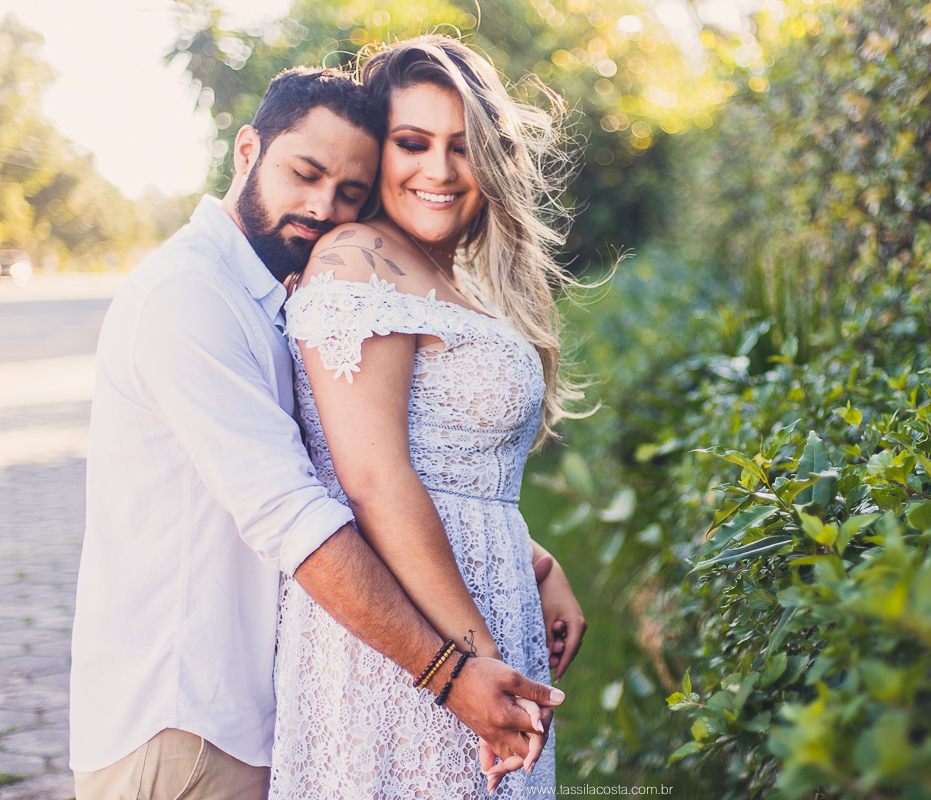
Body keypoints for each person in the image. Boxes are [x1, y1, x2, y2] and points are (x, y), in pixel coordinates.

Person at [70, 66, 569, 800]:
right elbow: (307, 510)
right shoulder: (189, 297)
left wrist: (533, 562)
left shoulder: (268, 289)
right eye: (304, 174)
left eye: (348, 193)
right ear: (248, 151)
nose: (322, 208)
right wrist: (457, 669)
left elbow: (341, 457)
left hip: (254, 708)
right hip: (182, 723)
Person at [268, 36, 586, 799]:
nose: (439, 171)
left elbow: (445, 465)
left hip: (482, 617)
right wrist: (471, 660)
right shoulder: (357, 257)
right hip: (415, 647)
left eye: (462, 147)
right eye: (412, 144)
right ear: (378, 154)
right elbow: (373, 478)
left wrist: (536, 562)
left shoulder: (445, 272)